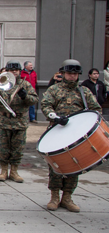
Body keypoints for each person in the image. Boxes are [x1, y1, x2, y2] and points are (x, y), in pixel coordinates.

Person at [41, 59, 101, 212]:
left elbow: (95, 109)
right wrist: (54, 116)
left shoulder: (84, 91)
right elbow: (45, 105)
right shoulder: (54, 90)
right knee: (56, 165)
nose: (72, 77)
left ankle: (67, 197)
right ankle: (54, 196)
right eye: (69, 73)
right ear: (63, 73)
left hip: (76, 135)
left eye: (75, 74)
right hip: (57, 131)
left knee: (75, 165)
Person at [0, 60, 38, 183]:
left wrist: (25, 96)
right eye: (11, 70)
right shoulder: (1, 83)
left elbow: (34, 100)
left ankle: (14, 171)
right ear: (7, 71)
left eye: (16, 70)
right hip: (4, 120)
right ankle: (3, 170)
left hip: (19, 121)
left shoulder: (25, 85)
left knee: (17, 148)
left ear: (20, 71)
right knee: (3, 147)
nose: (14, 72)